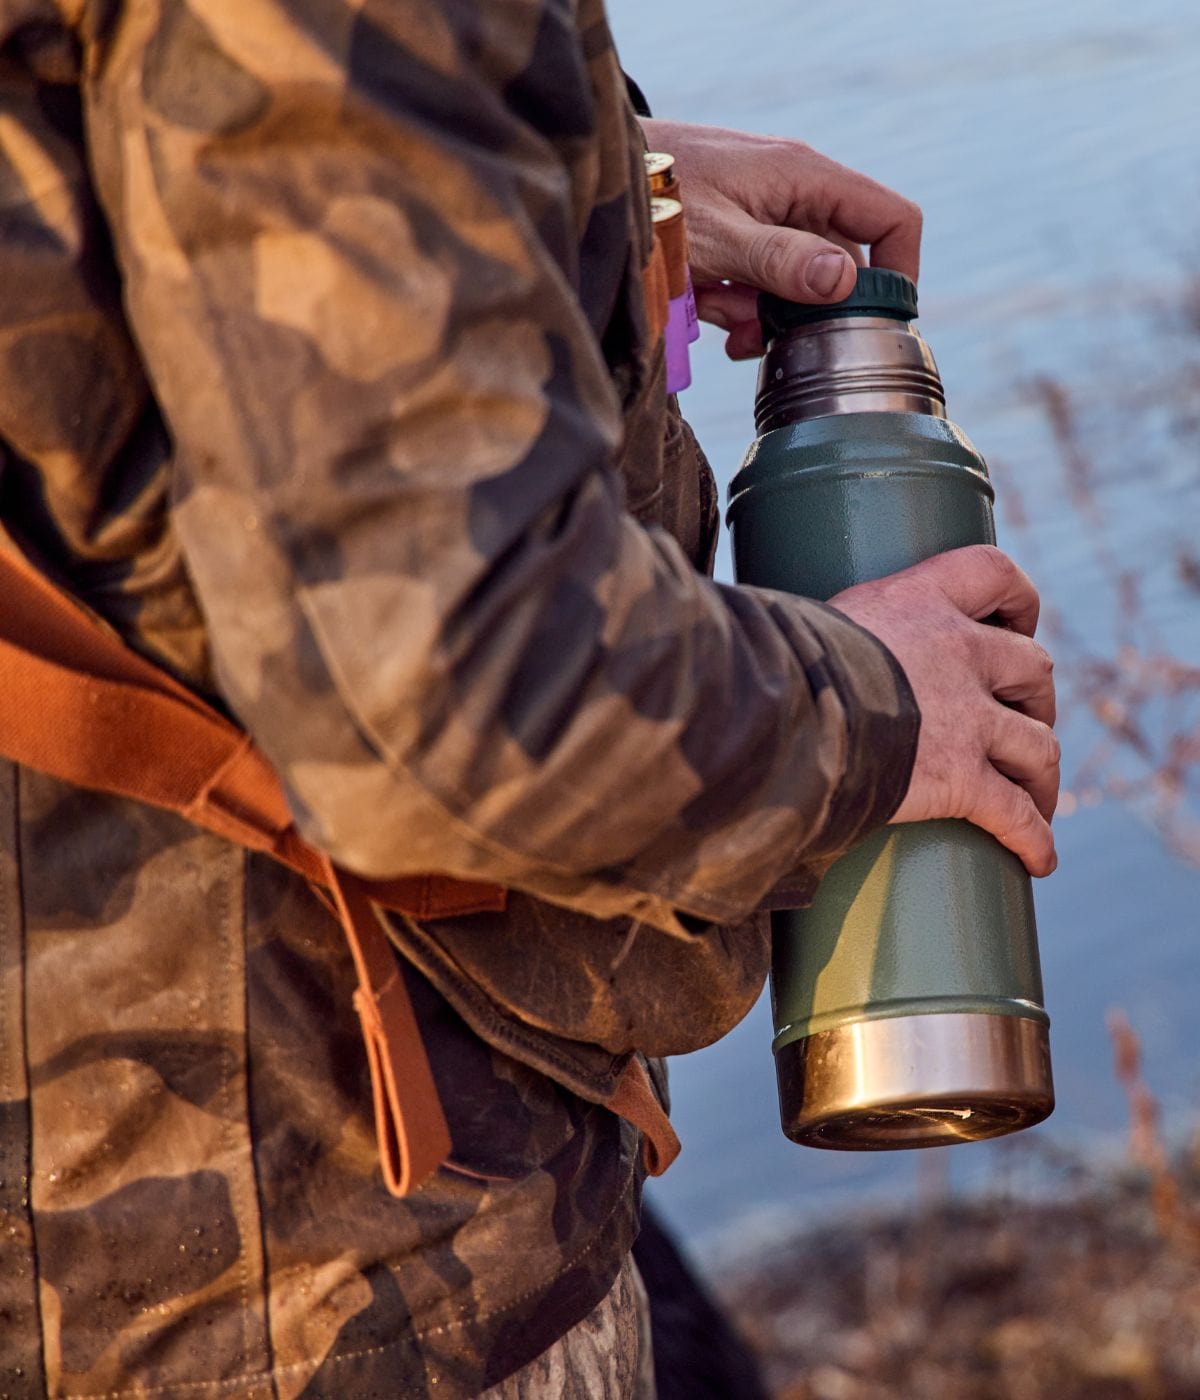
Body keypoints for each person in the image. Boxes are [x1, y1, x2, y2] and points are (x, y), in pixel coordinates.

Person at [0, 1, 1058, 1396]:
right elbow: (452, 675)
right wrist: (881, 713)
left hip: (116, 1213)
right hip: (324, 1269)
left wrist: (587, 185)